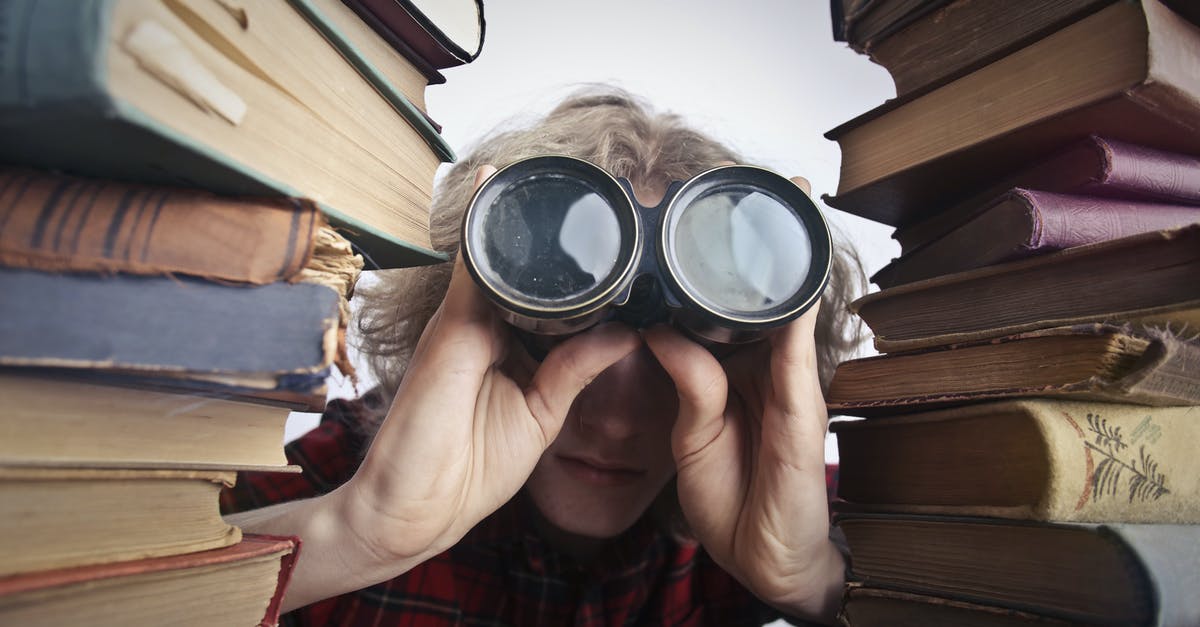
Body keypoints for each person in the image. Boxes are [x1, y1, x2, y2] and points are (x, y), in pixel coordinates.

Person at [223, 87, 866, 626]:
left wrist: (811, 578)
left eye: (680, 358)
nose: (614, 422)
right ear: (471, 325)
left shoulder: (790, 499)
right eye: (564, 334)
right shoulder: (329, 477)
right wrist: (352, 533)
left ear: (754, 370)